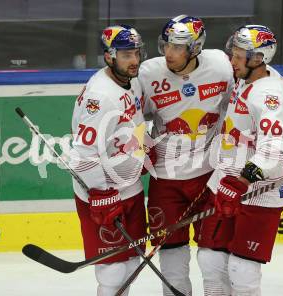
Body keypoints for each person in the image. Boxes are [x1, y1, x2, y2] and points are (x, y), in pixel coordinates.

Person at [138, 15, 234, 295]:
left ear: (195, 48)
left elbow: (238, 107)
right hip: (166, 181)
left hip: (209, 177)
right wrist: (140, 147)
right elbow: (130, 117)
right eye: (165, 45)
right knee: (172, 260)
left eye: (177, 47)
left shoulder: (220, 65)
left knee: (213, 259)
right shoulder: (148, 73)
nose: (168, 53)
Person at [197, 25, 283, 295]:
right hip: (225, 185)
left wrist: (242, 180)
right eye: (234, 53)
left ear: (259, 59)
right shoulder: (247, 79)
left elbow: (275, 149)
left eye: (240, 56)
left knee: (243, 269)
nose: (233, 61)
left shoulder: (268, 94)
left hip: (258, 193)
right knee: (210, 259)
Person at [69, 25, 148, 296]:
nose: (134, 60)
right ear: (109, 56)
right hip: (102, 194)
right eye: (126, 55)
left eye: (136, 53)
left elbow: (131, 123)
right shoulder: (101, 97)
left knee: (132, 261)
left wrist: (142, 149)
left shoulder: (131, 80)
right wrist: (101, 193)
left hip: (130, 187)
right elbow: (83, 154)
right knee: (112, 272)